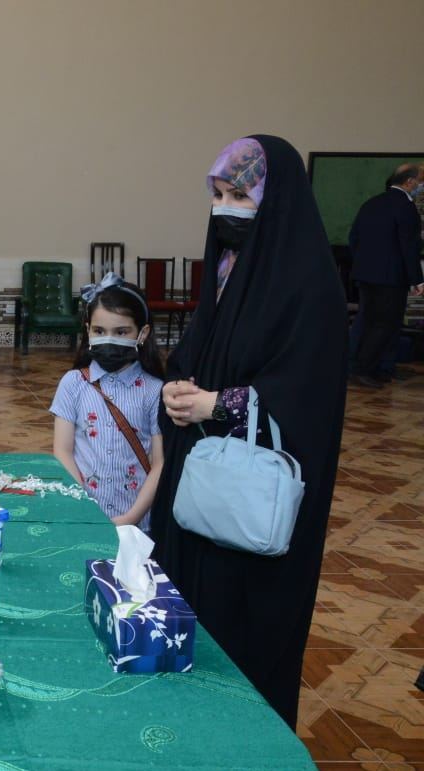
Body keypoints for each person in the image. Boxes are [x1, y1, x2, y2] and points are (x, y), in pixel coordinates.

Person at [150, 136, 348, 728]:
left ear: (277, 201)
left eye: (240, 194)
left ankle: (249, 748)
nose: (225, 207)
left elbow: (307, 398)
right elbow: (197, 354)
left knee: (245, 639)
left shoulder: (309, 286)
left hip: (254, 505)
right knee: (191, 617)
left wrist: (218, 403)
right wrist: (177, 389)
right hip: (200, 493)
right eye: (217, 194)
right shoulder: (228, 273)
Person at [50, 274, 165, 529]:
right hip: (83, 517)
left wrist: (131, 518)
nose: (109, 339)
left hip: (137, 521)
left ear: (142, 333)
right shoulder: (73, 384)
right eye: (99, 331)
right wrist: (84, 506)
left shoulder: (155, 391)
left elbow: (159, 463)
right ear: (87, 329)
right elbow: (62, 451)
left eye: (121, 331)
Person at [348, 163, 424, 387]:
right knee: (385, 325)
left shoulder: (372, 203)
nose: (421, 186)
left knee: (366, 322)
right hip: (391, 278)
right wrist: (417, 279)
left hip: (365, 275)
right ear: (409, 182)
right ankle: (365, 369)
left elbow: (354, 238)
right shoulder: (406, 207)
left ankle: (367, 367)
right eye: (420, 181)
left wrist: (364, 265)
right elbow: (408, 247)